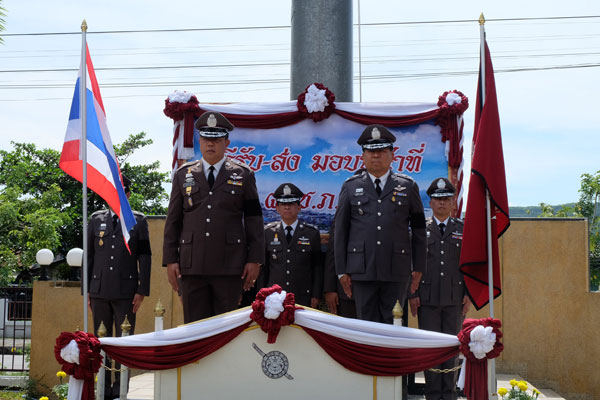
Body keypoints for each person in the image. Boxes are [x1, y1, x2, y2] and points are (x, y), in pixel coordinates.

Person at [163, 111, 265, 323]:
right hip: (192, 265)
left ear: (226, 142)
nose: (211, 144)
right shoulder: (183, 175)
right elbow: (173, 221)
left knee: (226, 329)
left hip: (229, 265)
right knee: (195, 328)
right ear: (199, 142)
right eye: (207, 139)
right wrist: (171, 259)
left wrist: (254, 259)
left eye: (217, 139)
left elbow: (254, 220)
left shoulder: (243, 175)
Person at [334, 124, 426, 324]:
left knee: (394, 326)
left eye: (382, 151)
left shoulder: (408, 186)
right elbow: (341, 232)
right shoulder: (350, 187)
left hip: (396, 270)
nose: (376, 156)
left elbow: (419, 230)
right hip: (361, 271)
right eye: (371, 151)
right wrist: (342, 270)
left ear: (392, 155)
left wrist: (418, 266)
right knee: (366, 327)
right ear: (363, 156)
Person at [87, 176, 151, 399]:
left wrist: (142, 290)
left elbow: (145, 257)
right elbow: (90, 256)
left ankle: (120, 389)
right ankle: (103, 389)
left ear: (128, 195)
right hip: (99, 291)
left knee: (124, 342)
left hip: (126, 292)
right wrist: (87, 290)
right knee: (101, 340)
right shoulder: (96, 219)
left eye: (121, 192)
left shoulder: (137, 220)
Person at [409, 177, 471, 400]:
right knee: (431, 348)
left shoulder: (462, 229)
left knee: (453, 348)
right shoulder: (419, 231)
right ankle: (433, 394)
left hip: (455, 299)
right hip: (427, 299)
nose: (442, 203)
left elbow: (469, 265)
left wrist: (469, 295)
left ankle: (449, 393)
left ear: (453, 202)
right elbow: (411, 264)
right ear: (431, 203)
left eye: (446, 199)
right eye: (438, 199)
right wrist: (412, 294)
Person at [262, 183, 323, 307]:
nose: (287, 208)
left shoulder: (312, 233)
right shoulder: (267, 233)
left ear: (299, 207)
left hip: (302, 295)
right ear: (277, 208)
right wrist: (262, 295)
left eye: (291, 204)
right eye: (283, 204)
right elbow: (264, 268)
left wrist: (316, 294)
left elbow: (317, 267)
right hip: (274, 297)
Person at [323, 219, 356, 318]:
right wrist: (330, 288)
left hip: (380, 289)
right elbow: (333, 253)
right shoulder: (347, 212)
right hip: (348, 291)